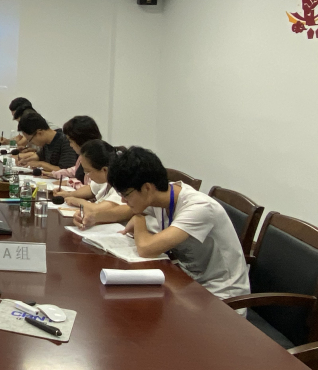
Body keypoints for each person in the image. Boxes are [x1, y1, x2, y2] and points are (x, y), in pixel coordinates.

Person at [108, 147, 250, 303]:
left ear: (147, 188)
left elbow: (145, 249)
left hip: (222, 295)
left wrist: (138, 218)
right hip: (188, 283)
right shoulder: (161, 195)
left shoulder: (199, 207)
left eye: (126, 194)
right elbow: (117, 213)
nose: (123, 200)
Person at [56, 140, 124, 214]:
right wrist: (68, 194)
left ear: (104, 170)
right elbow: (91, 188)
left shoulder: (121, 186)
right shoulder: (106, 179)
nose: (87, 175)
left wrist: (77, 201)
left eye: (88, 171)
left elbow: (96, 209)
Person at [48, 115, 103, 187]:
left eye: (71, 141)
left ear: (80, 140)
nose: (70, 145)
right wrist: (55, 174)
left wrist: (69, 182)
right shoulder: (83, 155)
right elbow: (76, 170)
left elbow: (91, 189)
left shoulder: (97, 159)